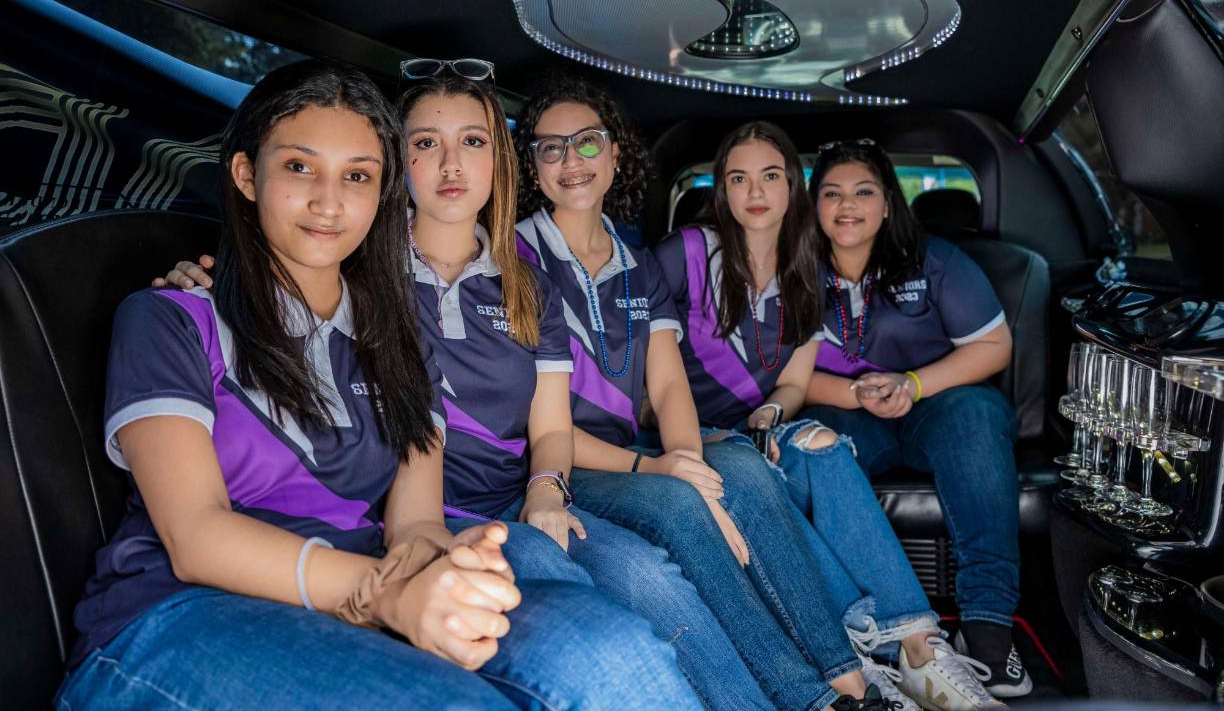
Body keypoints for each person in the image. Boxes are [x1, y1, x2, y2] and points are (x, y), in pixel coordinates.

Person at [65, 59, 700, 711]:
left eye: (358, 177)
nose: (329, 202)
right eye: (299, 167)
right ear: (247, 175)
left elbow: (417, 520)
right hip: (180, 616)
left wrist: (453, 567)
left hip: (363, 592)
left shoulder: (394, 343)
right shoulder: (172, 317)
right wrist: (386, 591)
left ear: (381, 192)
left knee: (613, 648)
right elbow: (195, 537)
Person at [512, 75, 914, 711]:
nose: (571, 162)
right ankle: (811, 698)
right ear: (532, 166)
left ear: (615, 154)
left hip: (625, 447)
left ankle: (850, 680)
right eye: (551, 148)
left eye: (587, 143)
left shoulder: (634, 260)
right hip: (555, 461)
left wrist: (691, 466)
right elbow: (545, 425)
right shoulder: (514, 256)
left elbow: (667, 381)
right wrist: (673, 475)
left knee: (742, 473)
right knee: (681, 507)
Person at [654, 120, 1004, 711]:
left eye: (771, 176)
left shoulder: (806, 266)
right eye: (739, 178)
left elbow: (792, 380)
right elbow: (640, 363)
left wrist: (771, 412)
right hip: (691, 435)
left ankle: (923, 652)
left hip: (762, 428)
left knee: (820, 442)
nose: (756, 192)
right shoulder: (684, 253)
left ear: (792, 187)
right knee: (773, 458)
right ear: (722, 189)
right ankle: (875, 646)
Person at [802, 139, 1028, 698]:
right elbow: (773, 372)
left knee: (977, 416)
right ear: (813, 206)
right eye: (831, 193)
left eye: (863, 192)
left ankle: (988, 627)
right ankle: (867, 639)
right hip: (847, 408)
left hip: (937, 406)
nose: (846, 205)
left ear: (886, 205)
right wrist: (856, 394)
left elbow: (994, 345)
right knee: (803, 443)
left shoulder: (935, 260)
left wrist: (914, 384)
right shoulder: (792, 272)